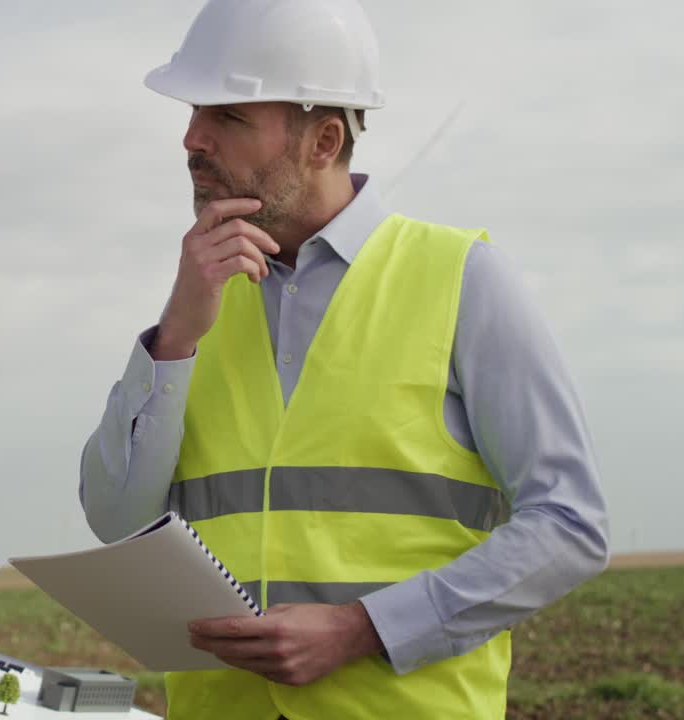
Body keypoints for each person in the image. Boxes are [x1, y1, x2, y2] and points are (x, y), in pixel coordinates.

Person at [78, 1, 610, 718]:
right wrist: (173, 337)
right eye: (195, 110)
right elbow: (115, 519)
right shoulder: (200, 302)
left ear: (324, 141)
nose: (192, 137)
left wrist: (367, 629)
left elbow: (570, 525)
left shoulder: (463, 280)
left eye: (228, 116)